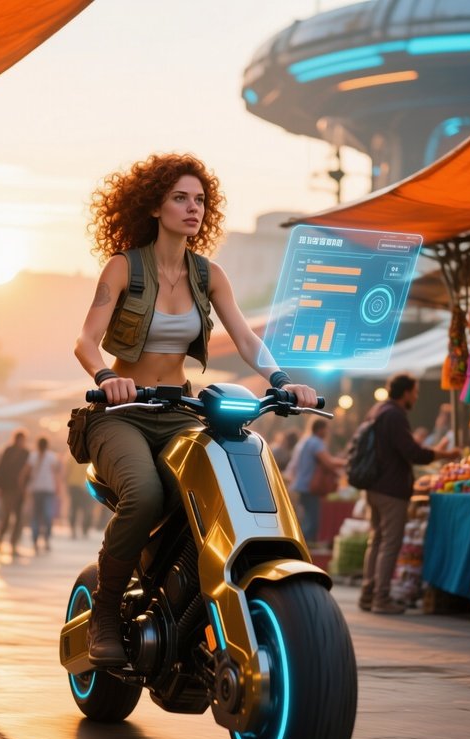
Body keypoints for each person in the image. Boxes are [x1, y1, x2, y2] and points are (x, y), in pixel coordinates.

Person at [74, 152, 319, 666]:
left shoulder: (209, 275)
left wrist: (282, 381)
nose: (193, 208)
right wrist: (106, 379)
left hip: (180, 409)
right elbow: (86, 341)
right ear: (154, 206)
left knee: (218, 482)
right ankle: (105, 615)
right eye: (180, 198)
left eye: (200, 200)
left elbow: (246, 338)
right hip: (121, 412)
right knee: (144, 495)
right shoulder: (124, 267)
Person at [357, 373, 460, 615]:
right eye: (415, 392)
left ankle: (368, 594)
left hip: (374, 485)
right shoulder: (394, 414)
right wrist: (445, 454)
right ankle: (381, 598)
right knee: (389, 543)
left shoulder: (378, 410)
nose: (416, 397)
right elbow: (412, 452)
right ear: (405, 392)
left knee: (377, 540)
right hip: (390, 489)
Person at [285, 419, 345, 545]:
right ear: (320, 429)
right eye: (326, 429)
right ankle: (303, 546)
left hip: (301, 485)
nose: (328, 432)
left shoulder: (307, 441)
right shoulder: (316, 443)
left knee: (306, 518)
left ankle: (301, 544)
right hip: (309, 487)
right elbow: (328, 462)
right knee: (312, 521)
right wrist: (347, 462)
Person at [0, 429, 30, 556]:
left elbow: (29, 472)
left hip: (21, 489)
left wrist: (26, 488)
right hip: (8, 488)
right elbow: (1, 468)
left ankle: (13, 543)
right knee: (6, 516)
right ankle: (0, 539)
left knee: (19, 517)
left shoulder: (26, 453)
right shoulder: (9, 451)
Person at [21, 436, 61, 553]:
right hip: (36, 490)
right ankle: (35, 541)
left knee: (47, 515)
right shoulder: (33, 456)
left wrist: (57, 486)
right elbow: (26, 471)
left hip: (48, 490)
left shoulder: (51, 456)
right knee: (36, 516)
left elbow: (55, 473)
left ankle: (46, 539)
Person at [65, 452, 94, 538]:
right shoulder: (91, 455)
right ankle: (79, 529)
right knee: (83, 508)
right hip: (82, 486)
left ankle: (80, 529)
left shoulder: (72, 456)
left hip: (80, 486)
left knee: (77, 508)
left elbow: (67, 472)